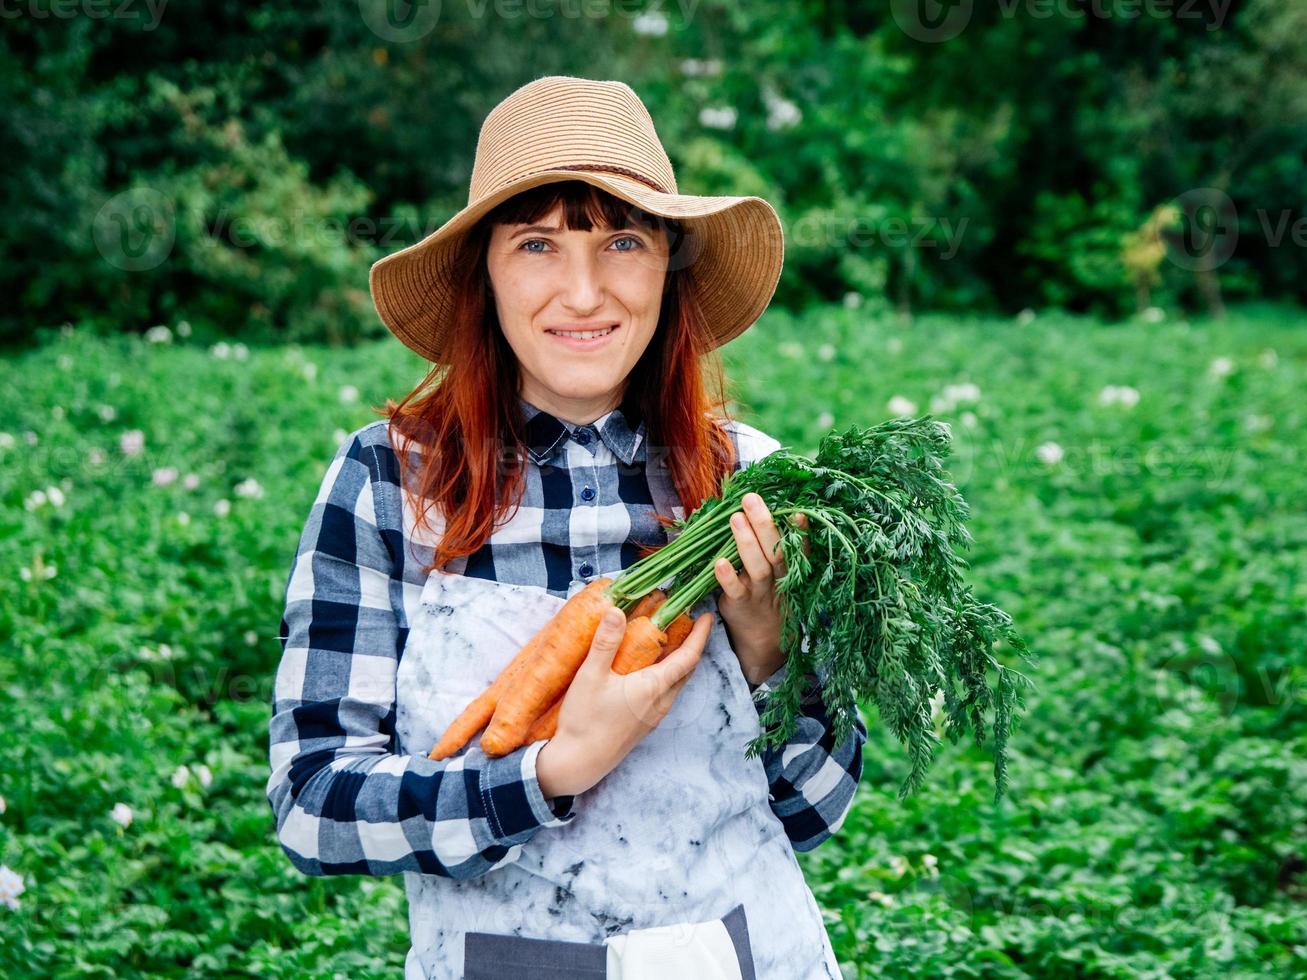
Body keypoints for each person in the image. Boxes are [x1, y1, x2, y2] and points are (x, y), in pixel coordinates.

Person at [265, 76, 866, 979]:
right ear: (486, 275)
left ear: (669, 264)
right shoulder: (389, 482)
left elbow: (815, 813)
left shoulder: (751, 483)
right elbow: (313, 806)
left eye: (623, 240)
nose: (583, 293)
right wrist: (546, 774)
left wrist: (769, 650)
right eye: (537, 244)